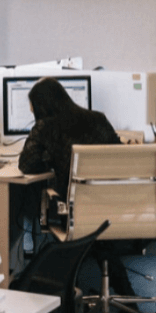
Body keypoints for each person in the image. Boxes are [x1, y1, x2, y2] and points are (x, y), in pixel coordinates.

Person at [17, 77, 137, 298]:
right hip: (111, 208)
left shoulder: (46, 126)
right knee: (99, 233)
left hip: (73, 211)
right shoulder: (98, 119)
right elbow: (120, 156)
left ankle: (64, 293)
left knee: (82, 218)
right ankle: (125, 292)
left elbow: (26, 165)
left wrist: (47, 156)